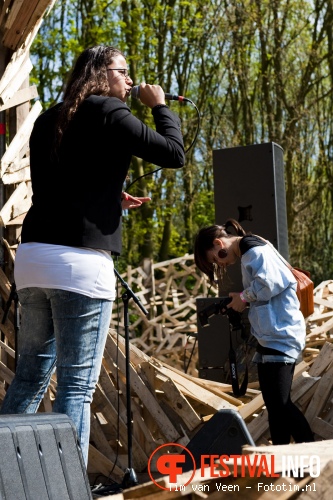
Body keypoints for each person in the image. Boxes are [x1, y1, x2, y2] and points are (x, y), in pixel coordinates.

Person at [0, 45, 185, 465]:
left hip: (33, 259)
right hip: (79, 266)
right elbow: (173, 154)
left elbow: (60, 185)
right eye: (125, 71)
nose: (131, 81)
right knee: (76, 387)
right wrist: (158, 107)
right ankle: (71, 487)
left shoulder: (49, 117)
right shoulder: (110, 111)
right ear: (103, 73)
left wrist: (108, 198)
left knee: (29, 377)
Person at [194, 219, 314, 445]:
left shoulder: (252, 250)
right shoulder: (252, 248)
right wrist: (241, 298)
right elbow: (267, 286)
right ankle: (284, 467)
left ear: (220, 243)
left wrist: (244, 297)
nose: (222, 265)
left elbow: (272, 284)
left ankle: (316, 459)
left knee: (280, 404)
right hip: (273, 335)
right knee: (275, 406)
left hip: (281, 334)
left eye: (216, 259)